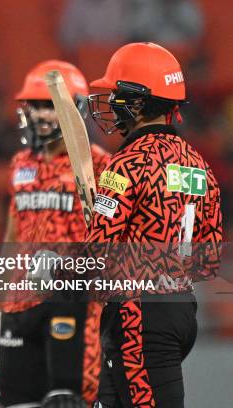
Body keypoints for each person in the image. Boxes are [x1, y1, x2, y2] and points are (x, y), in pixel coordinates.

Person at [86, 42, 222, 407]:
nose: (111, 104)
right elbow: (206, 264)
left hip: (138, 317)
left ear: (139, 101)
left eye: (117, 95)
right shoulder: (198, 164)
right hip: (181, 310)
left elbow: (98, 254)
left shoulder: (126, 163)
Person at [0, 60, 111, 408]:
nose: (43, 115)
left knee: (66, 402)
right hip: (21, 306)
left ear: (75, 109)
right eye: (37, 106)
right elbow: (12, 237)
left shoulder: (101, 166)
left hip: (75, 310)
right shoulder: (21, 164)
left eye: (51, 105)